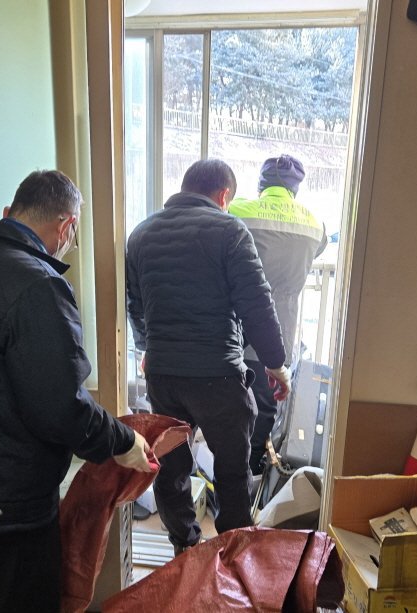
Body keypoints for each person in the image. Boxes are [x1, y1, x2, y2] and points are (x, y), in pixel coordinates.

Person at [0, 170, 153, 612]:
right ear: (66, 227)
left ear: (9, 213)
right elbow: (60, 407)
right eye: (73, 237)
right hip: (8, 508)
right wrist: (123, 441)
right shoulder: (38, 284)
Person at [125, 158, 292, 556]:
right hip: (218, 376)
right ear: (223, 195)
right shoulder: (230, 230)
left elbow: (136, 305)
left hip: (164, 376)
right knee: (233, 470)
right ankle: (231, 555)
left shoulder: (141, 234)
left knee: (171, 468)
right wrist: (276, 364)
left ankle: (185, 548)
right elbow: (257, 305)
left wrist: (149, 347)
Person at [228, 154, 327, 474]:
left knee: (227, 398)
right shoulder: (314, 223)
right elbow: (320, 249)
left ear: (262, 184)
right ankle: (252, 467)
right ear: (295, 189)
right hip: (280, 330)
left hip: (235, 326)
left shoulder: (238, 210)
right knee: (265, 403)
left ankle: (226, 462)